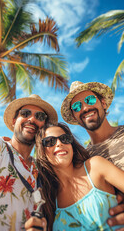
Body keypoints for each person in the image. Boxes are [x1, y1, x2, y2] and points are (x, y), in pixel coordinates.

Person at [0, 94, 57, 231]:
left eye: (40, 116)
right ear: (14, 121)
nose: (31, 119)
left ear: (44, 126)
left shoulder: (40, 170)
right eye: (25, 113)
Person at [36, 122, 124, 230]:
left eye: (65, 138)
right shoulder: (48, 198)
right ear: (42, 151)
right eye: (50, 141)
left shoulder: (95, 166)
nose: (59, 143)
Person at [61, 81, 124, 227]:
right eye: (77, 106)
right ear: (74, 116)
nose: (85, 107)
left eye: (90, 100)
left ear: (103, 103)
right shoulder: (83, 159)